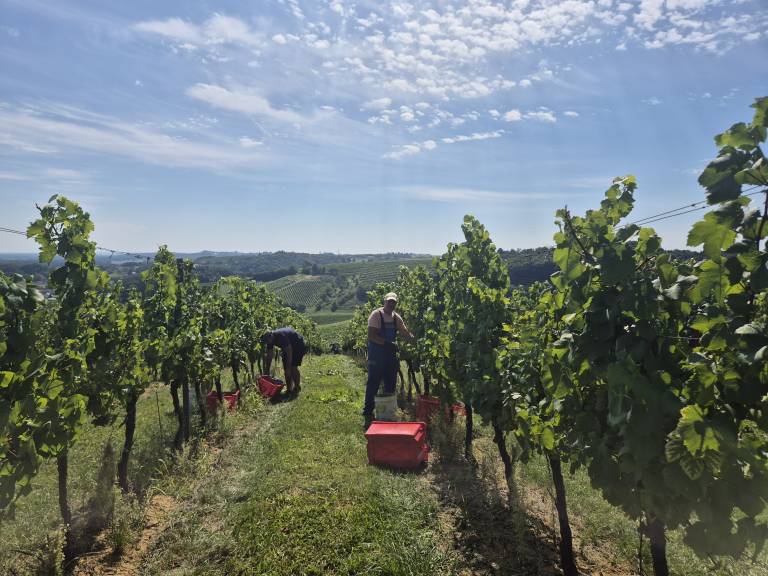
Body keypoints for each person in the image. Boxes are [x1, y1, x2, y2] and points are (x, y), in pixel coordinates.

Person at [363, 292, 414, 430]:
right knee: (373, 383)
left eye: (393, 302)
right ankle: (368, 412)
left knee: (391, 384)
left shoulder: (396, 317)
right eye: (389, 301)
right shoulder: (376, 315)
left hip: (390, 356)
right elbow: (371, 336)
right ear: (384, 301)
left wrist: (413, 339)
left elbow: (404, 332)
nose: (391, 304)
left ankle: (388, 412)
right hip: (376, 354)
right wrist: (386, 343)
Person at [262, 327, 306, 397]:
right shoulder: (269, 339)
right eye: (266, 342)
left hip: (298, 345)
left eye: (268, 341)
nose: (268, 343)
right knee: (286, 369)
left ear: (271, 336)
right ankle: (289, 390)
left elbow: (289, 351)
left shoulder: (281, 336)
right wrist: (267, 370)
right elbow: (269, 355)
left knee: (292, 367)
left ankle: (297, 387)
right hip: (288, 347)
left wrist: (288, 367)